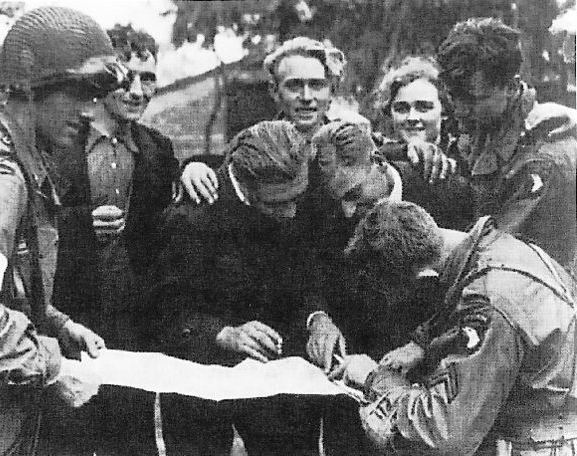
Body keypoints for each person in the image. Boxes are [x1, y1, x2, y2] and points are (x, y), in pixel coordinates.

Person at [0, 6, 122, 455]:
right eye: (78, 92)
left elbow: (4, 285)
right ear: (31, 86)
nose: (89, 111)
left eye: (96, 96)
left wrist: (57, 323)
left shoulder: (17, 156)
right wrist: (51, 363)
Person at [148, 120, 344, 455]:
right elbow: (163, 310)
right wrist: (223, 333)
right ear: (245, 183)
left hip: (280, 384)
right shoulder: (190, 216)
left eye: (297, 198)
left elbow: (311, 271)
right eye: (276, 204)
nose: (291, 211)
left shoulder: (300, 187)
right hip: (201, 381)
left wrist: (319, 318)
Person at [335, 199, 576, 455]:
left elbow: (446, 434)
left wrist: (375, 378)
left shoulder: (492, 301)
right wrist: (424, 343)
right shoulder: (495, 247)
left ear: (423, 276)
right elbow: (467, 292)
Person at [47, 24, 178, 456]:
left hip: (134, 331)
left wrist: (196, 165)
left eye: (149, 79)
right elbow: (29, 228)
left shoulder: (158, 150)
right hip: (66, 326)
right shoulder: (57, 146)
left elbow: (166, 231)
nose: (138, 91)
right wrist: (80, 225)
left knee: (134, 443)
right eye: (127, 78)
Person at [180, 37, 451, 206]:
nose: (307, 97)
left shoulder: (360, 143)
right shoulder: (258, 146)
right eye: (295, 86)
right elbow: (226, 168)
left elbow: (386, 156)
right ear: (275, 92)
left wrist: (420, 149)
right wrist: (192, 167)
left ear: (331, 91)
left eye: (317, 85)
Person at [436, 17, 577, 273]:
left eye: (473, 99)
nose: (460, 109)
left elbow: (497, 255)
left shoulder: (543, 159)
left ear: (511, 86)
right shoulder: (483, 129)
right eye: (452, 96)